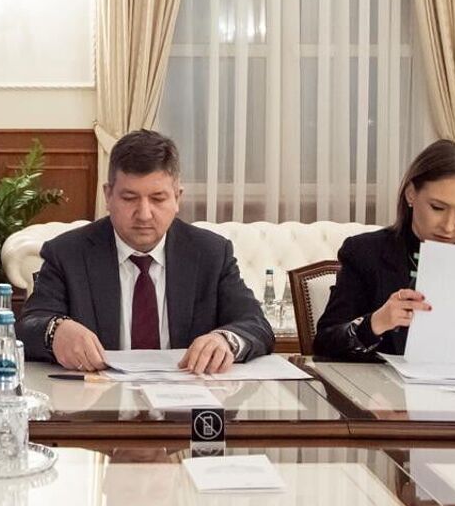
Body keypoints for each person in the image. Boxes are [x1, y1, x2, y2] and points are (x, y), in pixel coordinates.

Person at [15, 129, 272, 373]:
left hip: (188, 395)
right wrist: (56, 331)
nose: (144, 214)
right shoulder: (68, 253)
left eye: (158, 199)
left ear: (177, 198)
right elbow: (29, 325)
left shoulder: (211, 253)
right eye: (129, 198)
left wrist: (225, 340)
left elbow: (255, 324)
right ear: (108, 195)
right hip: (98, 395)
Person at [314, 139, 455, 363]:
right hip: (386, 386)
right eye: (437, 208)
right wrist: (376, 323)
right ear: (411, 194)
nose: (449, 226)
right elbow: (324, 343)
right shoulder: (365, 252)